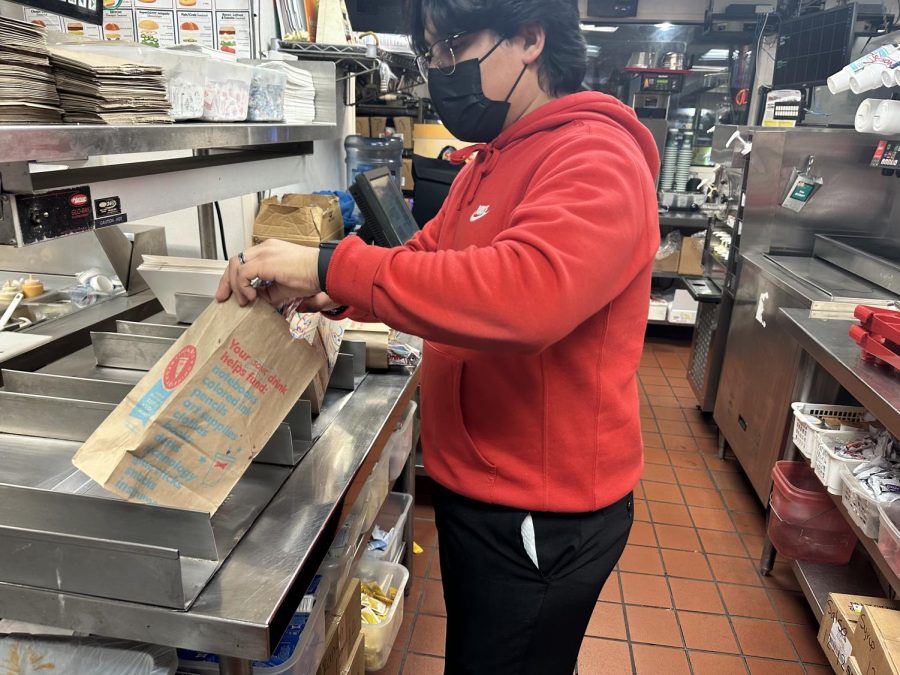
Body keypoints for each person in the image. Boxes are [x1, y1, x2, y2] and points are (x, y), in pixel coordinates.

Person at [216, 0, 660, 671]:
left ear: (532, 38)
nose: (442, 70)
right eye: (433, 55)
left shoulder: (595, 154)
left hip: (541, 509)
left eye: (454, 47)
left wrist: (330, 263)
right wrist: (322, 286)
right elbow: (427, 258)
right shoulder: (493, 158)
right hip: (483, 490)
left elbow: (526, 297)